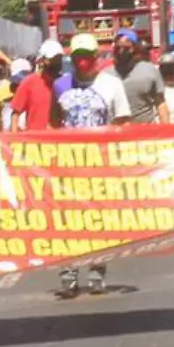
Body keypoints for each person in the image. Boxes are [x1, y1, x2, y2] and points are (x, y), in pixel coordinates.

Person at [55, 33, 131, 295]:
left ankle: (97, 270)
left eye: (87, 56)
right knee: (68, 221)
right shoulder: (60, 85)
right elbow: (52, 125)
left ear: (96, 57)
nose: (83, 62)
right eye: (78, 57)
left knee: (98, 220)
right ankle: (69, 271)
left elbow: (123, 123)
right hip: (67, 166)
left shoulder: (111, 85)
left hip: (101, 166)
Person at [111, 30, 168, 124]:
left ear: (135, 48)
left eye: (126, 48)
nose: (121, 51)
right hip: (116, 134)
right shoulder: (106, 75)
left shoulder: (150, 70)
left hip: (145, 133)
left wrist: (166, 130)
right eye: (118, 48)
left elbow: (161, 103)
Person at [10, 41, 62, 130]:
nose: (55, 63)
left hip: (58, 142)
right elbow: (15, 114)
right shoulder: (29, 83)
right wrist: (13, 140)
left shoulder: (62, 83)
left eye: (58, 59)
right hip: (35, 142)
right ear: (41, 61)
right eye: (52, 60)